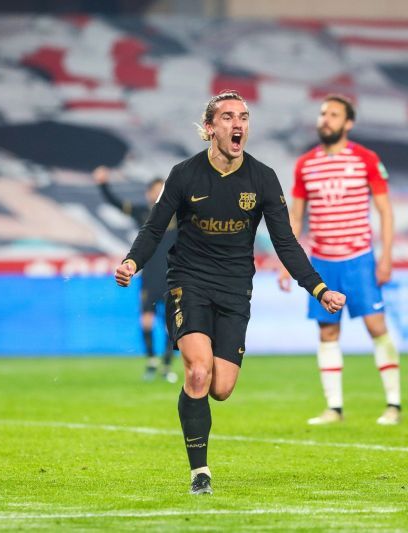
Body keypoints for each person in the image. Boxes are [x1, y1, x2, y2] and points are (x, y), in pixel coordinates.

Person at [115, 91, 346, 495]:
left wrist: (318, 287)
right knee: (199, 371)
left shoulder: (263, 178)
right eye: (227, 117)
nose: (237, 123)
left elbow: (286, 243)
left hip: (236, 290)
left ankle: (194, 402)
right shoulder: (184, 174)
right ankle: (199, 472)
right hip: (189, 282)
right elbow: (155, 228)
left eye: (243, 116)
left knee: (220, 388)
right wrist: (132, 262)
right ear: (210, 128)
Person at [279, 94, 402, 426]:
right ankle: (334, 408)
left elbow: (385, 211)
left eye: (333, 114)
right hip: (322, 261)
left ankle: (393, 404)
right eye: (323, 114)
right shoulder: (306, 164)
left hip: (359, 258)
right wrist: (285, 261)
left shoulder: (365, 158)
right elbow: (296, 217)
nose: (325, 119)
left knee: (376, 327)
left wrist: (386, 256)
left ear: (348, 123)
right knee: (327, 332)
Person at [94, 166, 178, 383]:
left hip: (173, 276)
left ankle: (166, 366)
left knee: (173, 325)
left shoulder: (180, 215)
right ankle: (151, 361)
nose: (159, 195)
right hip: (149, 276)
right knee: (147, 321)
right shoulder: (143, 213)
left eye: (163, 191)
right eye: (156, 191)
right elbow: (116, 203)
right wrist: (103, 184)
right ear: (148, 194)